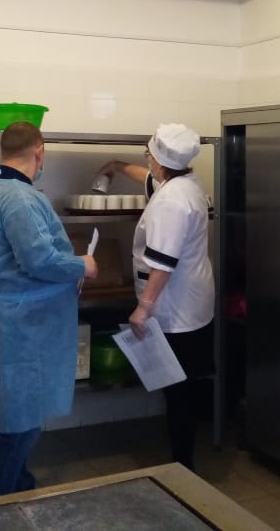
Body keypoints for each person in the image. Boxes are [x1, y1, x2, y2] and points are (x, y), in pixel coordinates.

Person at [0, 121, 98, 497]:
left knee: (14, 416)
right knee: (19, 427)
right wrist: (82, 265)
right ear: (40, 152)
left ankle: (19, 486)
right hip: (23, 328)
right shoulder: (19, 199)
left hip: (11, 321)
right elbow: (38, 259)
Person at [96, 122, 214, 472]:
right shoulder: (184, 183)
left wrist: (143, 309)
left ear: (158, 159)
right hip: (191, 302)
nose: (146, 159)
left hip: (175, 308)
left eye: (147, 154)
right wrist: (116, 166)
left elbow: (163, 262)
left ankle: (183, 467)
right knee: (182, 386)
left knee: (178, 391)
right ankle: (183, 459)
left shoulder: (172, 202)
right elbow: (148, 178)